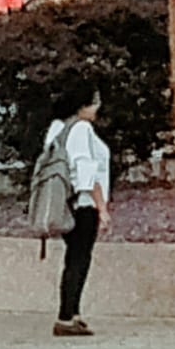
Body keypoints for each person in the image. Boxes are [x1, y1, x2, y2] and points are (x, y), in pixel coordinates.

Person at [46, 86, 110, 336]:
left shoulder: (57, 127)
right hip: (83, 203)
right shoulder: (82, 129)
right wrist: (102, 207)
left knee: (73, 257)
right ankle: (66, 316)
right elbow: (87, 172)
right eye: (94, 102)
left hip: (64, 201)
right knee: (79, 258)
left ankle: (72, 312)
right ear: (83, 106)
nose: (97, 108)